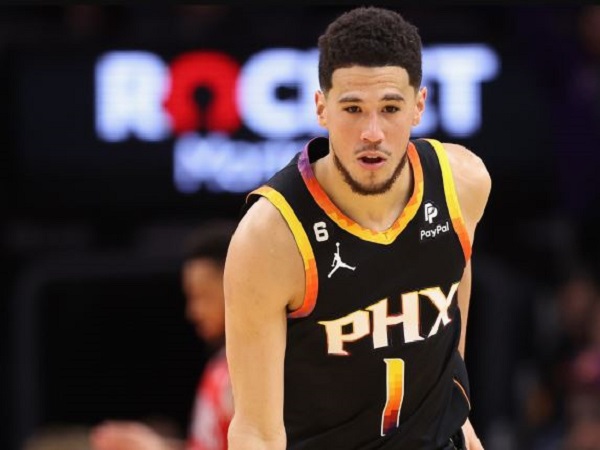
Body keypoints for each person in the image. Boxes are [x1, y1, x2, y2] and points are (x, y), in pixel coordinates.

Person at [224, 6, 491, 450]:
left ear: (419, 106)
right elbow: (255, 430)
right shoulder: (272, 237)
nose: (372, 132)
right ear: (321, 108)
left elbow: (452, 291)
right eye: (352, 108)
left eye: (390, 108)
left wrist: (460, 421)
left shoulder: (463, 184)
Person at [90, 221, 236, 450]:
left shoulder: (255, 371)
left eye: (202, 296)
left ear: (235, 286)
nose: (192, 311)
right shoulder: (220, 367)